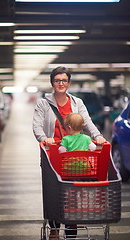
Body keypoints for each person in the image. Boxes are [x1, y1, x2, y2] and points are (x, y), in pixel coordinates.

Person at [33, 66, 106, 239]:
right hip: (53, 155)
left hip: (75, 157)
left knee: (72, 194)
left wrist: (99, 136)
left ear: (69, 82)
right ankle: (54, 228)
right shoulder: (44, 103)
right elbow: (36, 125)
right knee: (54, 192)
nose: (61, 83)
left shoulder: (77, 103)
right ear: (52, 82)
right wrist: (45, 138)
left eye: (64, 80)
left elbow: (87, 122)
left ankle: (71, 231)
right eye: (57, 80)